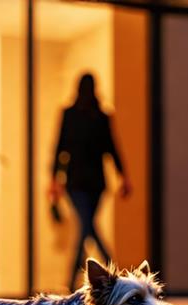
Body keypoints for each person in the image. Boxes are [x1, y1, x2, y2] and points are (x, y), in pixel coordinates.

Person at [49, 73, 131, 289]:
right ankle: (115, 274)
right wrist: (123, 176)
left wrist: (54, 179)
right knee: (88, 227)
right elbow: (112, 150)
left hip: (76, 181)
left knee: (86, 228)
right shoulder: (101, 116)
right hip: (94, 182)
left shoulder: (71, 115)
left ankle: (73, 281)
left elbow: (60, 150)